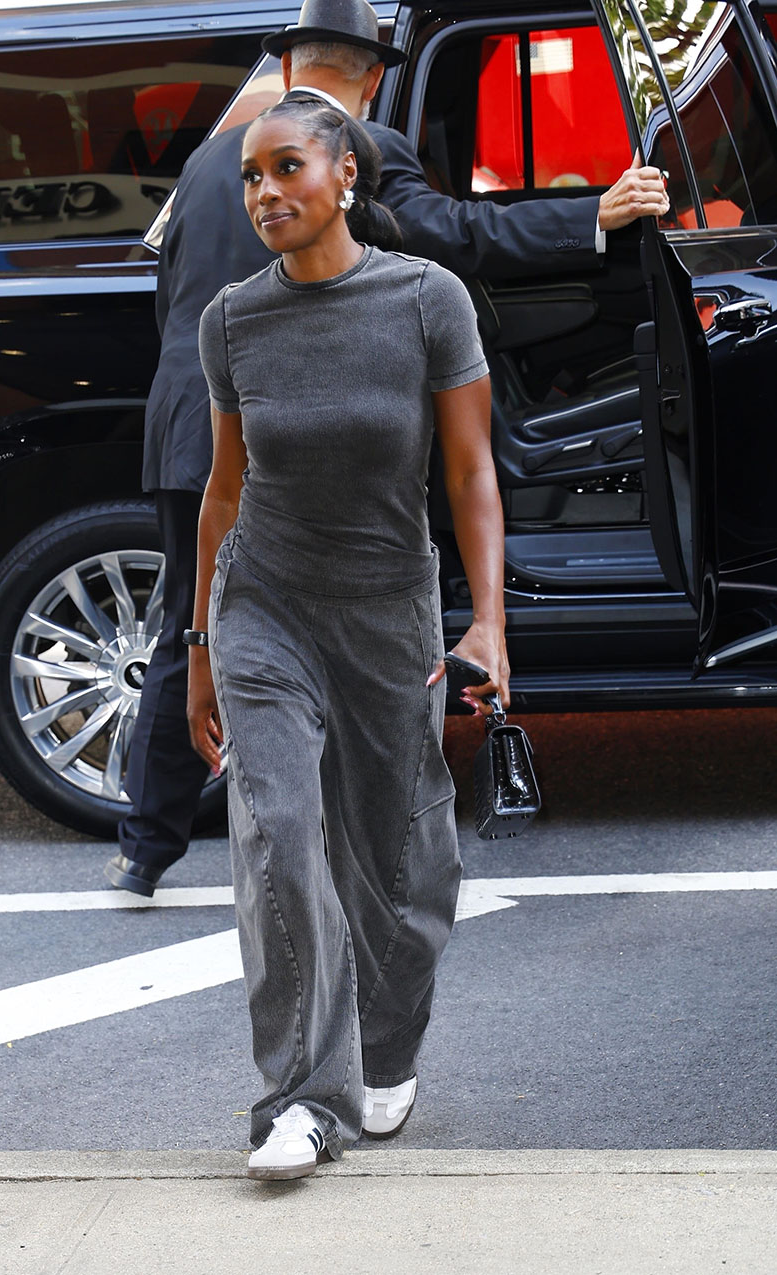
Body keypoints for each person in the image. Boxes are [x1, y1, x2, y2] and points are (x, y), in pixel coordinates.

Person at [104, 0, 669, 897]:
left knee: (195, 616)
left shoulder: (218, 157)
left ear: (290, 68)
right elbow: (453, 236)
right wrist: (589, 215)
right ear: (373, 77)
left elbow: (173, 293)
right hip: (295, 431)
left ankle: (144, 846)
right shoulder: (355, 148)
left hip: (189, 419)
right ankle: (353, 821)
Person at [187, 94, 508, 1179]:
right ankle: (298, 1098)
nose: (264, 193)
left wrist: (489, 621)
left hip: (385, 614)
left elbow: (468, 472)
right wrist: (197, 648)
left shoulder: (427, 299)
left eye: (285, 169)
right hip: (264, 604)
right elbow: (223, 494)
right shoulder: (231, 320)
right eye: (249, 178)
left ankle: (388, 1046)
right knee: (278, 836)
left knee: (405, 867)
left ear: (346, 177)